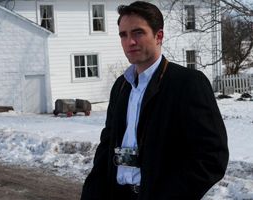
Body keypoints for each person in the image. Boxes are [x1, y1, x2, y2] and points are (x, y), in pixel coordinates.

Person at [81, 1, 229, 200]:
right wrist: (92, 192)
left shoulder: (187, 83)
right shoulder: (121, 86)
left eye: (138, 33)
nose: (129, 41)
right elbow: (107, 146)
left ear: (158, 36)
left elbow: (212, 156)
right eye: (123, 35)